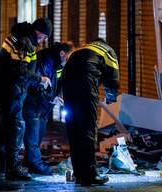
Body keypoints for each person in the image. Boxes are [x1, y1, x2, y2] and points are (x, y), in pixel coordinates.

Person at [0, 17, 52, 180]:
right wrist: (40, 79)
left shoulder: (16, 37)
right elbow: (22, 73)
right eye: (45, 37)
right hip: (12, 94)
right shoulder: (26, 43)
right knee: (16, 128)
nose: (43, 41)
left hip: (3, 91)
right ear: (39, 32)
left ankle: (2, 167)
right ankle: (12, 169)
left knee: (5, 129)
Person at [61, 38, 119, 186]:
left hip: (67, 85)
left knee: (74, 129)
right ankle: (90, 175)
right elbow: (113, 77)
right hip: (85, 85)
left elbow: (64, 72)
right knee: (88, 129)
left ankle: (79, 173)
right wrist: (111, 98)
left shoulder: (79, 50)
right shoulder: (108, 51)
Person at [23, 42, 72, 175]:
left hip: (43, 106)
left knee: (37, 134)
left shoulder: (57, 64)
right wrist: (52, 98)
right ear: (62, 53)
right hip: (34, 103)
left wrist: (56, 96)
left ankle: (30, 162)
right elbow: (39, 85)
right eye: (67, 58)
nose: (67, 61)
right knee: (33, 135)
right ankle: (35, 165)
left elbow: (56, 83)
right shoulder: (46, 60)